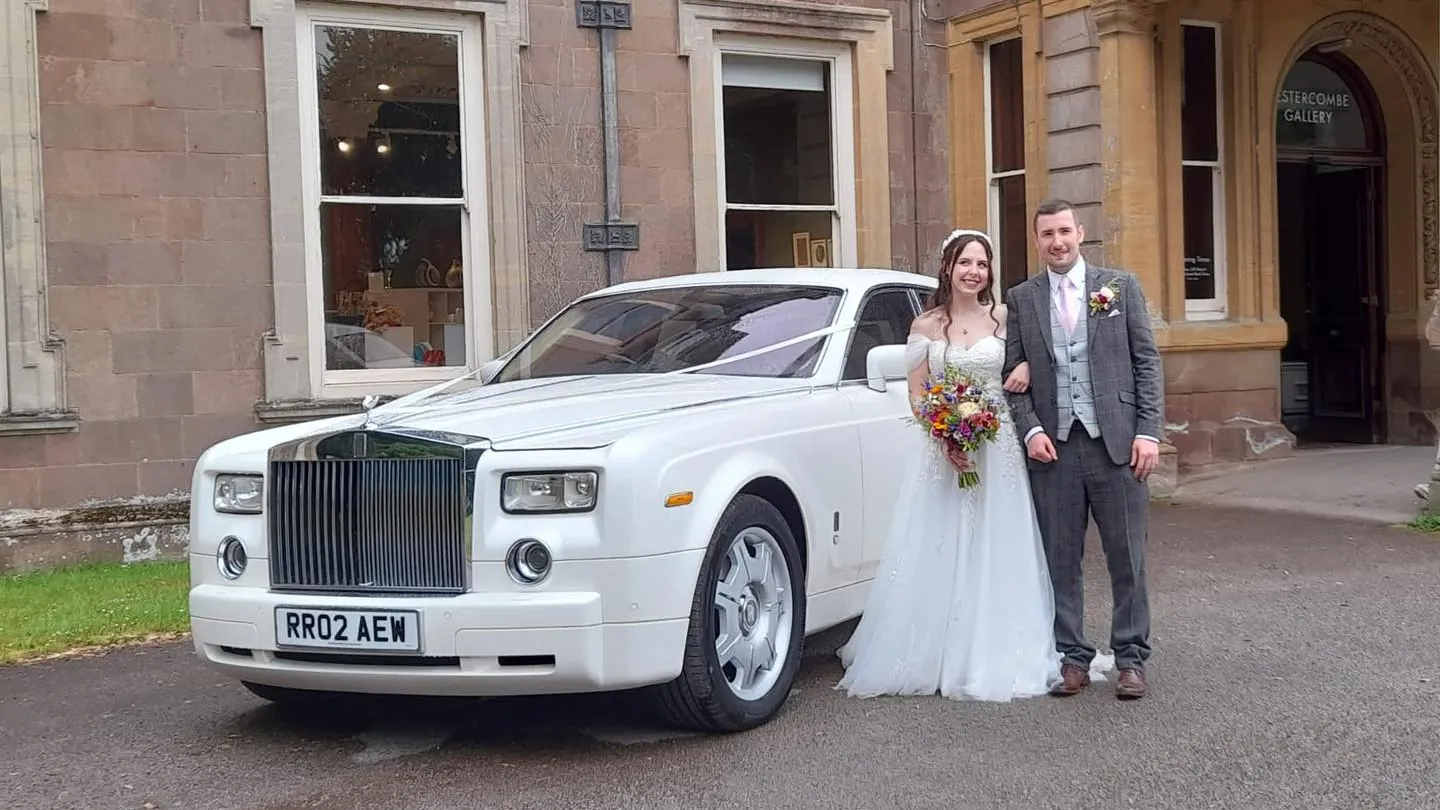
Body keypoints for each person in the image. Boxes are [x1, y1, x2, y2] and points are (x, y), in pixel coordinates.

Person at [835, 228, 1063, 702]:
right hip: (945, 450)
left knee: (995, 541)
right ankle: (931, 651)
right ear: (948, 267)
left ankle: (993, 649)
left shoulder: (1004, 318)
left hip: (996, 445)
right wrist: (942, 435)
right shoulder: (925, 327)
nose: (974, 272)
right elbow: (919, 393)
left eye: (982, 264)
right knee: (938, 542)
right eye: (965, 263)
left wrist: (1026, 368)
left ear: (989, 272)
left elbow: (1042, 355)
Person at [1000, 199, 1165, 700]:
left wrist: (1148, 431)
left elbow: (1146, 363)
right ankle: (1072, 657)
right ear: (1036, 240)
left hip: (1116, 443)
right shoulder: (1022, 298)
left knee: (1127, 557)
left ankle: (1131, 658)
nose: (1057, 242)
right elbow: (1013, 379)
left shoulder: (1118, 287)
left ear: (1081, 233)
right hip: (1055, 449)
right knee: (1060, 558)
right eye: (1047, 234)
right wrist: (1030, 431)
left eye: (1065, 232)